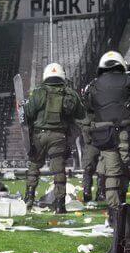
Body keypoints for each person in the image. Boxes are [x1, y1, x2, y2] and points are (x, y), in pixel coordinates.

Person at [83, 51, 130, 213]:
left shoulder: (93, 85)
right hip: (128, 132)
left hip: (105, 136)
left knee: (112, 173)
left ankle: (114, 212)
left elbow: (89, 107)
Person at [24, 62, 88, 213]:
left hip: (39, 135)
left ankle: (29, 198)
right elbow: (81, 114)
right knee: (59, 170)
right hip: (59, 136)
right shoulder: (70, 93)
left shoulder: (38, 92)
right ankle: (60, 205)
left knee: (34, 166)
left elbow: (28, 114)